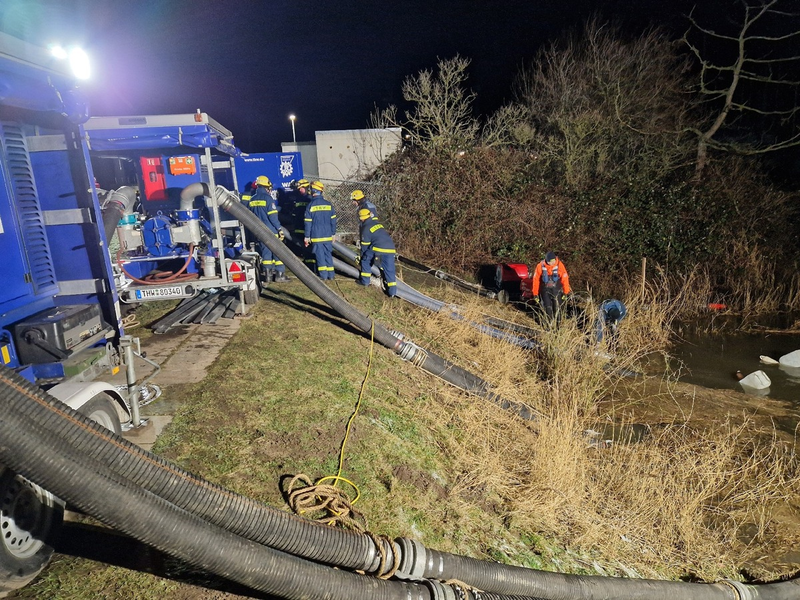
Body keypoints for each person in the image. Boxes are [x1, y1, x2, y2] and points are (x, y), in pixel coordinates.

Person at [248, 175, 290, 283]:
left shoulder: (252, 200)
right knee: (278, 253)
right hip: (272, 232)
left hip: (260, 233)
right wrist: (279, 229)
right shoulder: (268, 199)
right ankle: (280, 276)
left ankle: (267, 277)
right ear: (266, 187)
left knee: (266, 255)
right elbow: (273, 217)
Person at [357, 208, 397, 297]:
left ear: (362, 218)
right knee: (390, 270)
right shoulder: (378, 224)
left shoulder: (366, 228)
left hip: (378, 248)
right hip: (391, 248)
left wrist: (362, 257)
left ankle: (365, 281)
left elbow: (364, 247)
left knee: (366, 260)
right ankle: (392, 293)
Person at [303, 181, 337, 279]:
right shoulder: (329, 204)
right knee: (328, 255)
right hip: (327, 235)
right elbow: (333, 221)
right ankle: (331, 275)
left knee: (320, 256)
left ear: (312, 191)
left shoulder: (310, 206)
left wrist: (307, 236)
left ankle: (323, 275)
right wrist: (333, 233)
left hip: (316, 236)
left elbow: (308, 223)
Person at [531, 251, 571, 320]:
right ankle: (549, 325)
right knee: (547, 308)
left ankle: (557, 325)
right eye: (550, 261)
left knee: (557, 308)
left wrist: (566, 292)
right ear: (546, 260)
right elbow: (536, 280)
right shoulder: (540, 266)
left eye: (553, 261)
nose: (551, 263)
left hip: (556, 290)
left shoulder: (559, 265)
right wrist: (535, 294)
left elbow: (565, 278)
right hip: (545, 290)